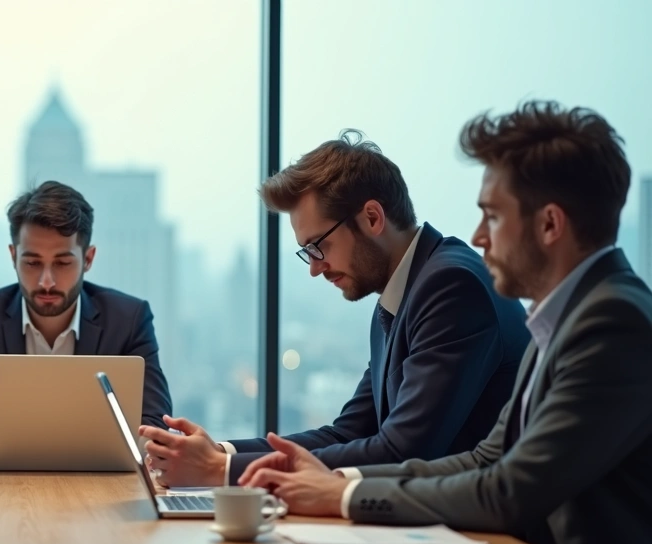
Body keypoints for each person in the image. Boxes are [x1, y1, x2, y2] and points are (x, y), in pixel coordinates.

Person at [241, 102, 652, 544]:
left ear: (549, 225)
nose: (479, 236)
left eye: (492, 216)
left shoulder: (611, 321)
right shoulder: (568, 315)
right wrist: (341, 486)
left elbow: (508, 490)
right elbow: (485, 459)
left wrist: (344, 494)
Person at [141, 131, 529, 487]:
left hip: (488, 532)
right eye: (307, 252)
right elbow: (348, 432)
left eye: (319, 246)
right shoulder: (403, 294)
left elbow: (404, 450)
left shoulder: (450, 286)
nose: (315, 268)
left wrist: (221, 470)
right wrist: (220, 452)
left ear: (372, 218)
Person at [0, 180, 173, 457]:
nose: (47, 281)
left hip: (101, 480)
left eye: (62, 263)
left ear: (88, 259)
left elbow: (157, 425)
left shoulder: (128, 319)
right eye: (32, 262)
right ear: (13, 256)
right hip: (1, 483)